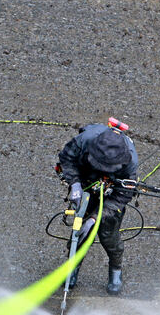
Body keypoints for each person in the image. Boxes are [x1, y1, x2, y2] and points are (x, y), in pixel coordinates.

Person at [57, 121, 138, 295]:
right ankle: (73, 267)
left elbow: (122, 196)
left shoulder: (130, 161)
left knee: (109, 236)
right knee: (79, 234)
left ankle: (115, 270)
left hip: (110, 194)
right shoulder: (84, 140)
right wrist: (75, 184)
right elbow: (66, 159)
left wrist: (95, 218)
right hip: (85, 185)